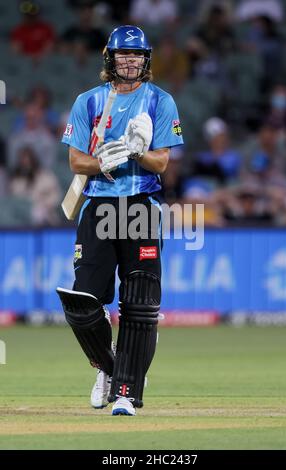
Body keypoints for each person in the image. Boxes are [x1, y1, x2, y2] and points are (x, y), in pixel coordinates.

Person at [57, 25, 183, 416]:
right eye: (123, 55)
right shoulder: (90, 101)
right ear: (110, 58)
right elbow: (76, 160)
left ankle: (127, 391)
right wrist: (103, 161)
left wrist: (135, 152)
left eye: (137, 55)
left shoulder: (161, 101)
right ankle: (108, 367)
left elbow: (162, 161)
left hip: (141, 205)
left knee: (140, 303)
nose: (130, 61)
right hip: (98, 206)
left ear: (146, 60)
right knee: (82, 302)